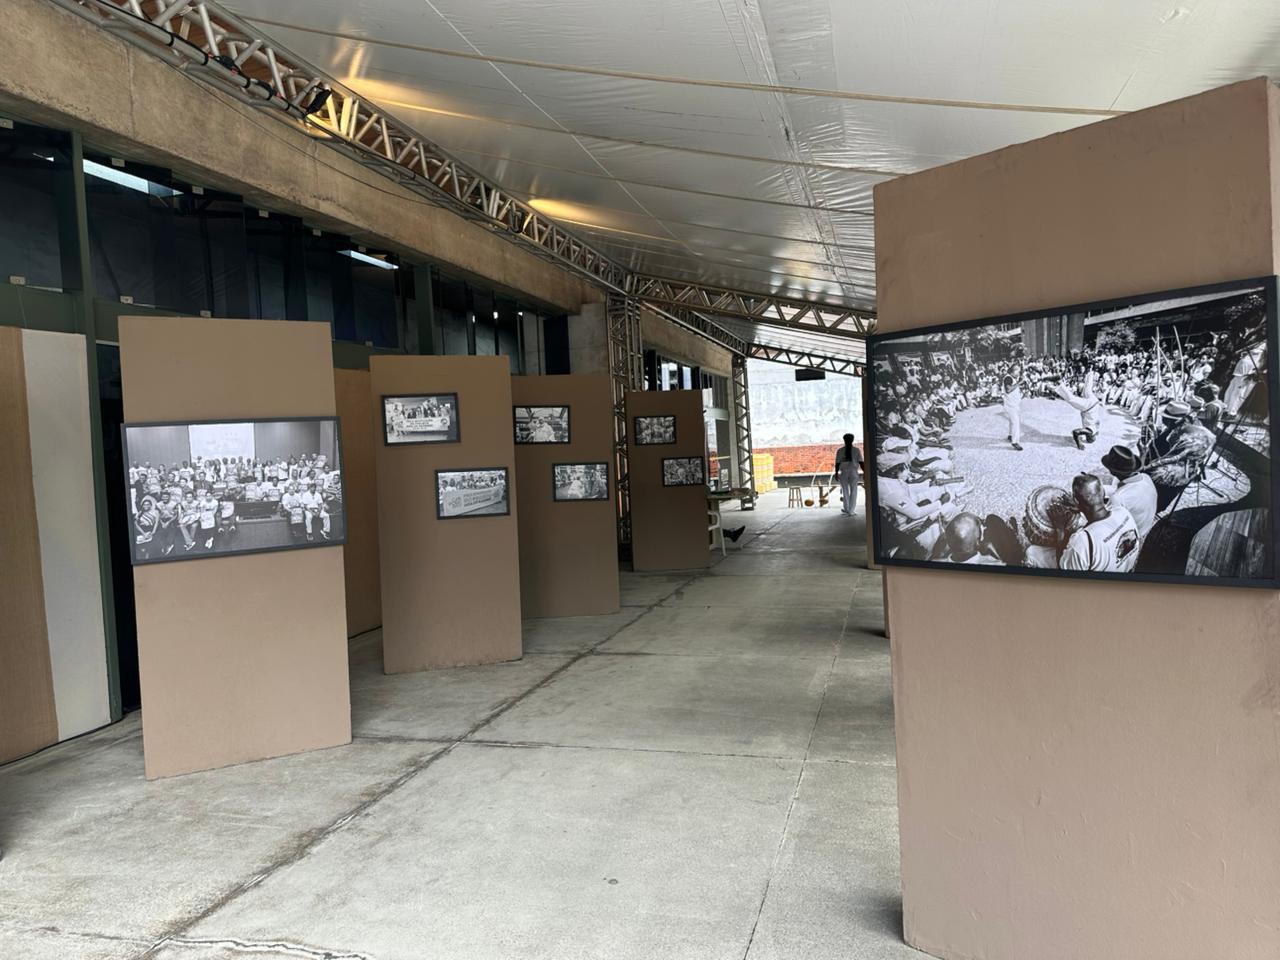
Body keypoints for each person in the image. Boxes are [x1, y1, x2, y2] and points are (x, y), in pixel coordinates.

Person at [1060, 474, 1140, 573]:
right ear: (1103, 493)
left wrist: (1059, 530)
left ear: (1075, 500)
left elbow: (1066, 574)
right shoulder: (1122, 512)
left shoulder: (1082, 541)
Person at [1100, 444, 1157, 538]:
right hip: (1145, 526)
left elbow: (1105, 525)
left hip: (1132, 536)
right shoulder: (1146, 477)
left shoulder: (1118, 498)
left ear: (1112, 471)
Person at [835, 433, 863, 516]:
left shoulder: (840, 451)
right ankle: (851, 510)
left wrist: (836, 473)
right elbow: (861, 462)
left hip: (844, 472)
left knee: (845, 490)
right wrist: (865, 472)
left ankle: (847, 509)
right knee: (854, 490)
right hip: (853, 472)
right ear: (852, 440)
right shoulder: (856, 450)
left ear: (844, 440)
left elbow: (837, 463)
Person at [1002, 375, 1023, 451]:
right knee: (1016, 423)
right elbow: (1008, 390)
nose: (1018, 372)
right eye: (1017, 370)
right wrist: (1019, 382)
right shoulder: (1008, 378)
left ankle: (1010, 435)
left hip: (1014, 405)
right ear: (1013, 371)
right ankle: (1015, 442)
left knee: (1012, 421)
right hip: (1010, 406)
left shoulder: (1012, 378)